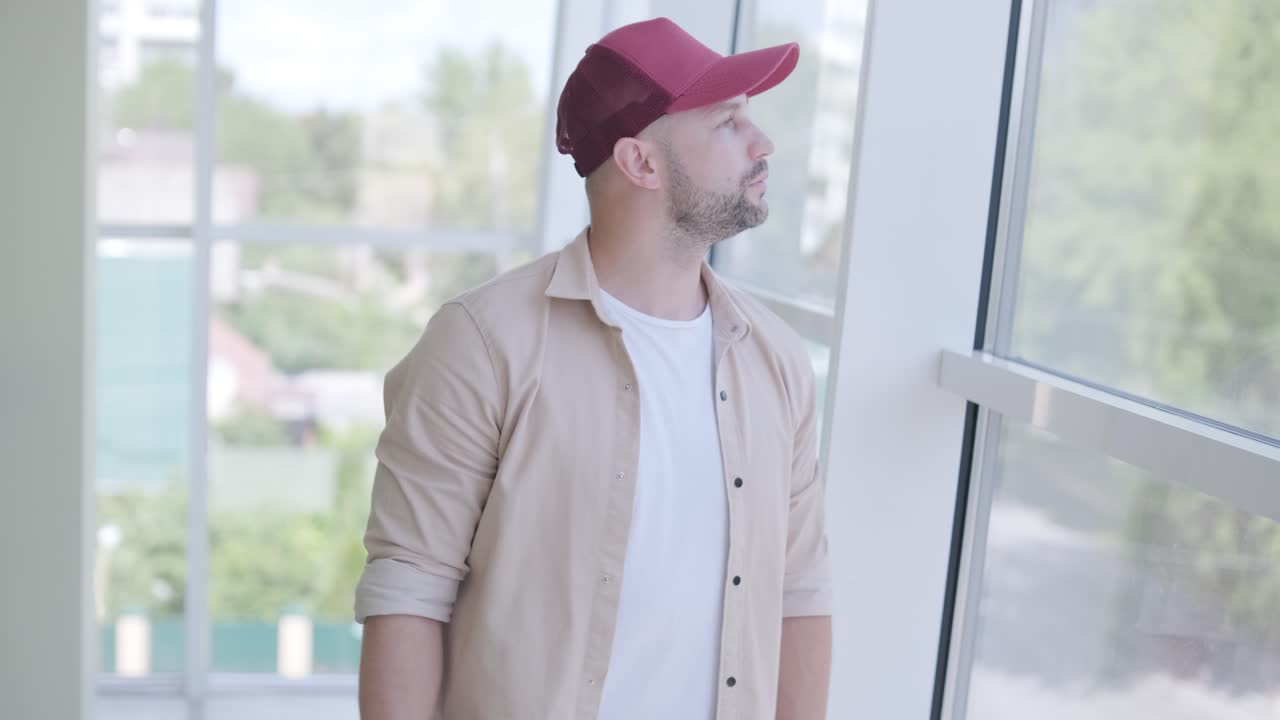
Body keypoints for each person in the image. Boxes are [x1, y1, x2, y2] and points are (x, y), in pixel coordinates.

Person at [355, 16, 832, 720]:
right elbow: (408, 592)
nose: (763, 145)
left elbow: (800, 591)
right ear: (641, 162)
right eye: (728, 123)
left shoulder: (775, 359)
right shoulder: (484, 344)